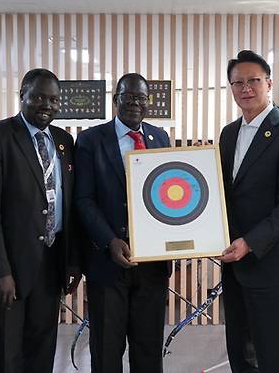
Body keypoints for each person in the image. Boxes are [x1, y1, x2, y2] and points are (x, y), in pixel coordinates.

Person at [0, 69, 81, 373]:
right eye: (39, 97)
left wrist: (72, 261)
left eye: (54, 99)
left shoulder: (63, 141)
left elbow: (69, 206)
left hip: (51, 262)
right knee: (7, 353)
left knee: (42, 349)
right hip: (11, 268)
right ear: (22, 95)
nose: (47, 104)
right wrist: (0, 270)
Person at [218, 50, 279, 372]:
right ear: (231, 88)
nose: (246, 88)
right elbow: (223, 195)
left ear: (269, 83)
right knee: (240, 353)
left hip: (269, 266)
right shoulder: (228, 133)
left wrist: (251, 243)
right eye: (238, 82)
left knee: (271, 356)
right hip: (232, 265)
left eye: (253, 81)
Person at [74, 73, 171, 373]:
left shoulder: (160, 138)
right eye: (127, 97)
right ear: (115, 100)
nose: (134, 104)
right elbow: (84, 199)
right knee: (106, 349)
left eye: (141, 98)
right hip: (108, 263)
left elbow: (168, 194)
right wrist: (110, 240)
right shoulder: (91, 140)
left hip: (153, 265)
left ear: (148, 103)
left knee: (148, 348)